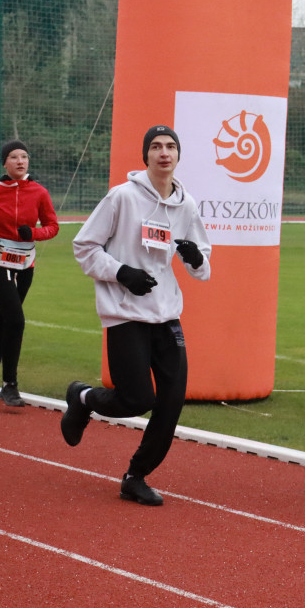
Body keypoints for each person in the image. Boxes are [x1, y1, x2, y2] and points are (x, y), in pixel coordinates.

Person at [62, 125, 211, 506]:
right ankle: (83, 398)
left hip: (166, 315)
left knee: (172, 401)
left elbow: (202, 266)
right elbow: (84, 247)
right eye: (157, 147)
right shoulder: (122, 197)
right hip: (125, 314)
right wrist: (121, 272)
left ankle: (136, 476)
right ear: (145, 155)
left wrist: (195, 258)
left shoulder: (187, 205)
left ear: (178, 156)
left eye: (171, 147)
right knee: (136, 399)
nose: (164, 153)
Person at [0, 139, 59, 406]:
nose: (21, 161)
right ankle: (10, 385)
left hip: (25, 266)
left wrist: (35, 233)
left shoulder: (39, 192)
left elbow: (53, 225)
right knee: (16, 320)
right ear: (5, 162)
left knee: (4, 320)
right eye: (15, 157)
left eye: (25, 157)